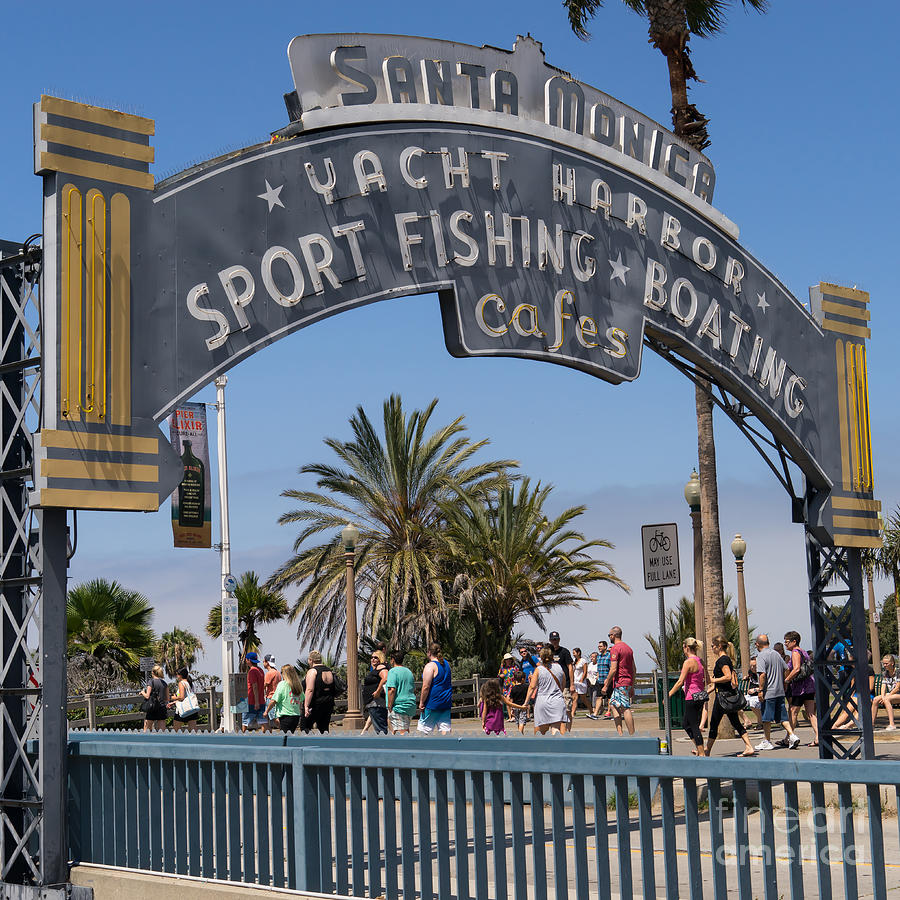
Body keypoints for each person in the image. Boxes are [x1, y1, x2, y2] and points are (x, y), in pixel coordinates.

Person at [705, 636, 755, 757]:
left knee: (714, 724)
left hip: (723, 697)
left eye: (713, 646)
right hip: (726, 696)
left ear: (719, 646)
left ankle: (707, 751)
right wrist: (709, 690)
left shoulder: (722, 660)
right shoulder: (725, 659)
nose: (712, 648)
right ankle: (749, 746)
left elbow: (727, 677)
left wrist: (713, 679)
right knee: (735, 722)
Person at [754, 634, 799, 750]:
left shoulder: (761, 656)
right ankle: (792, 735)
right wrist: (785, 683)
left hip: (769, 692)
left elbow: (762, 675)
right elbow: (787, 669)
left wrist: (760, 690)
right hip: (779, 691)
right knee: (783, 716)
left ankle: (767, 741)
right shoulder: (777, 654)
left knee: (766, 718)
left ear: (757, 644)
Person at [669, 637, 706, 756]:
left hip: (691, 696)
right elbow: (708, 678)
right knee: (686, 724)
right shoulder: (700, 661)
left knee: (694, 726)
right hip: (700, 695)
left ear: (687, 647)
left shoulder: (688, 662)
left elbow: (680, 681)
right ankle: (699, 748)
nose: (683, 650)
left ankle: (702, 753)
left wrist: (669, 694)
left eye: (683, 647)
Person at [783, 631, 818, 746]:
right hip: (809, 685)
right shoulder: (803, 651)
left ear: (794, 641)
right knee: (811, 713)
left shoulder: (795, 652)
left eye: (787, 641)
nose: (785, 644)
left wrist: (787, 680)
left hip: (800, 687)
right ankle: (818, 736)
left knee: (793, 712)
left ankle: (790, 737)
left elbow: (797, 668)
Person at [524, 647, 568, 735]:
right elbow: (563, 685)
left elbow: (532, 687)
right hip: (557, 701)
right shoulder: (559, 667)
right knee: (556, 728)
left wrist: (526, 702)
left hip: (542, 701)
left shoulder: (538, 670)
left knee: (541, 731)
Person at [602, 626, 636, 736]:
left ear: (613, 635)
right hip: (626, 682)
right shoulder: (628, 648)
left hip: (621, 682)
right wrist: (632, 685)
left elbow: (613, 668)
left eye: (609, 635)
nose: (609, 637)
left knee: (625, 708)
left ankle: (632, 734)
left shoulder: (615, 648)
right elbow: (634, 668)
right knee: (612, 705)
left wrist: (606, 683)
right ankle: (620, 733)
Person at [418, 644, 452, 735]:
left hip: (432, 703)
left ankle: (425, 748)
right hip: (445, 701)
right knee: (445, 730)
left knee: (424, 730)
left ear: (429, 653)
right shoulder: (447, 665)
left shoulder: (430, 666)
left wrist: (421, 702)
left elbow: (426, 687)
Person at [302, 650, 335, 733]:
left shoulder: (312, 671)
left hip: (315, 704)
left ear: (311, 660)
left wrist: (306, 706)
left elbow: (310, 690)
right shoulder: (329, 671)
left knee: (305, 727)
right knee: (324, 729)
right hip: (328, 703)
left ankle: (307, 745)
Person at [386, 650, 416, 735]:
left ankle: (405, 747)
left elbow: (392, 689)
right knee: (404, 729)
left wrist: (389, 705)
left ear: (392, 660)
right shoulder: (409, 672)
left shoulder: (393, 671)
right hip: (410, 705)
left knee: (401, 732)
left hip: (399, 706)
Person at [266, 664, 303, 733]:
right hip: (296, 716)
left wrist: (266, 711)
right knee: (291, 734)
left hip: (285, 716)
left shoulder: (282, 684)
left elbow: (274, 700)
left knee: (284, 736)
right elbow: (301, 700)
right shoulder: (298, 685)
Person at [548, 631, 574, 721]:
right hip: (552, 685)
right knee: (553, 709)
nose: (554, 641)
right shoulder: (548, 652)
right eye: (553, 639)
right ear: (550, 640)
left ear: (559, 639)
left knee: (567, 708)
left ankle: (568, 730)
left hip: (565, 684)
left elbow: (570, 667)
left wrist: (572, 684)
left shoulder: (564, 651)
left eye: (556, 639)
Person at [362, 650, 389, 734]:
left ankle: (383, 745)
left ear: (380, 659)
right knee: (379, 727)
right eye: (372, 657)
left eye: (375, 657)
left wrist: (377, 691)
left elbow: (386, 678)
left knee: (380, 729)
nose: (373, 659)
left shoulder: (380, 667)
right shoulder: (375, 669)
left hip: (377, 703)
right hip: (373, 703)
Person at [871, 655, 900, 730]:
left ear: (892, 663)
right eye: (883, 663)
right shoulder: (885, 673)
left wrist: (886, 697)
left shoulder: (898, 672)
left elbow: (897, 688)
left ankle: (892, 724)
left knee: (887, 699)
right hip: (891, 694)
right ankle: (872, 724)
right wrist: (883, 697)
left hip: (897, 694)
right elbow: (883, 687)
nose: (884, 665)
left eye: (886, 663)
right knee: (875, 699)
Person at [243, 652, 269, 733]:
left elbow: (254, 686)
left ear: (249, 660)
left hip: (252, 701)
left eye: (246, 659)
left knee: (245, 721)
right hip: (261, 700)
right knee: (263, 721)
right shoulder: (260, 670)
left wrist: (256, 702)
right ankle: (267, 737)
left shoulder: (252, 671)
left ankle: (241, 737)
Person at [170, 667, 199, 732]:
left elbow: (182, 697)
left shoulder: (181, 683)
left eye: (177, 674)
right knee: (193, 731)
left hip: (182, 709)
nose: (177, 676)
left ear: (180, 675)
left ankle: (177, 742)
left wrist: (173, 697)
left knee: (176, 730)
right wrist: (174, 702)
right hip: (191, 709)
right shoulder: (190, 683)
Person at [141, 664, 169, 732]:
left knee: (147, 727)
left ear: (153, 672)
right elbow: (167, 698)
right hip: (162, 707)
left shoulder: (151, 682)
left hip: (152, 707)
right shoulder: (164, 683)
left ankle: (147, 741)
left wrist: (142, 692)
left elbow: (147, 696)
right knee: (162, 729)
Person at [498, 653, 519, 721]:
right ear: (504, 660)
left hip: (513, 685)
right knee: (507, 701)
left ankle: (513, 716)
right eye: (507, 659)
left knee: (510, 699)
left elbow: (518, 675)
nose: (508, 660)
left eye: (509, 659)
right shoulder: (502, 667)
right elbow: (499, 674)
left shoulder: (514, 667)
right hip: (505, 685)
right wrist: (501, 676)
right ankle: (510, 717)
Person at [570, 647, 588, 721]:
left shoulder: (583, 661)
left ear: (578, 653)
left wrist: (582, 679)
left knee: (583, 698)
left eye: (574, 652)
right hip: (575, 682)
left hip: (581, 682)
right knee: (575, 698)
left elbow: (585, 671)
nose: (573, 654)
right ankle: (572, 713)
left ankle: (591, 710)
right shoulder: (574, 661)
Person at [508, 668, 529, 734]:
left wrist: (511, 708)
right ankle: (520, 734)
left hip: (515, 706)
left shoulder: (513, 688)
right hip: (523, 706)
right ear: (522, 679)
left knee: (518, 721)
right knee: (522, 721)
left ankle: (520, 733)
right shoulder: (526, 687)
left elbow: (511, 699)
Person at [596, 641, 612, 718]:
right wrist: (597, 676)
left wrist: (608, 679)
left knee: (609, 697)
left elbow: (611, 668)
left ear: (605, 647)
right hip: (600, 680)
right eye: (598, 646)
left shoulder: (609, 656)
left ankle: (608, 711)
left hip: (608, 680)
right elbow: (598, 668)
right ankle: (595, 713)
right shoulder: (598, 657)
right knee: (599, 697)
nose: (599, 648)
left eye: (601, 646)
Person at [586, 651, 602, 719]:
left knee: (595, 697)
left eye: (593, 657)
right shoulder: (590, 664)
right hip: (590, 682)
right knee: (591, 696)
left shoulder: (598, 665)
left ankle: (594, 711)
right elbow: (587, 672)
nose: (592, 658)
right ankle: (601, 708)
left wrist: (596, 680)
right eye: (591, 657)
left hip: (596, 682)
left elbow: (598, 673)